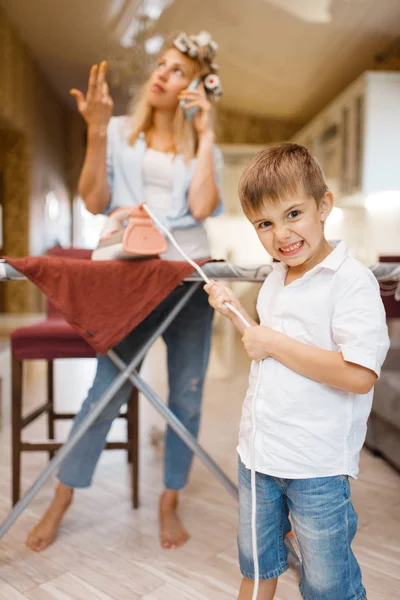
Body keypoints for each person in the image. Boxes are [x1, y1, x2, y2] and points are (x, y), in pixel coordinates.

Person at [26, 31, 224, 552]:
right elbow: (93, 201)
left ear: (198, 87)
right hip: (130, 279)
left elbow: (202, 208)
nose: (161, 73)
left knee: (186, 394)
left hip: (186, 278)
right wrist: (94, 131)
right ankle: (61, 501)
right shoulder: (116, 131)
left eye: (177, 70)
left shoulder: (206, 147)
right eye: (161, 64)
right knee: (106, 389)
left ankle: (169, 500)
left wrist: (205, 135)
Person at [205, 142, 390, 600]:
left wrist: (273, 342)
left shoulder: (351, 282)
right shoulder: (274, 279)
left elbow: (359, 375)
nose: (281, 234)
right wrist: (235, 314)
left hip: (317, 466)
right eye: (264, 224)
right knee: (258, 565)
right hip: (258, 454)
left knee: (328, 587)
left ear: (323, 205)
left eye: (292, 214)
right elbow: (270, 348)